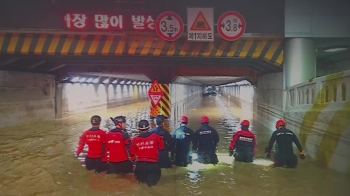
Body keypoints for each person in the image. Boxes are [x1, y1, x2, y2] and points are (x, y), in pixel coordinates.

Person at [130, 120, 164, 187]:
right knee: (152, 185)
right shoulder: (155, 136)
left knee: (142, 185)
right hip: (153, 165)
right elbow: (161, 147)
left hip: (140, 165)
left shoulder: (135, 139)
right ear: (148, 128)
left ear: (139, 129)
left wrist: (134, 165)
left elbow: (132, 153)